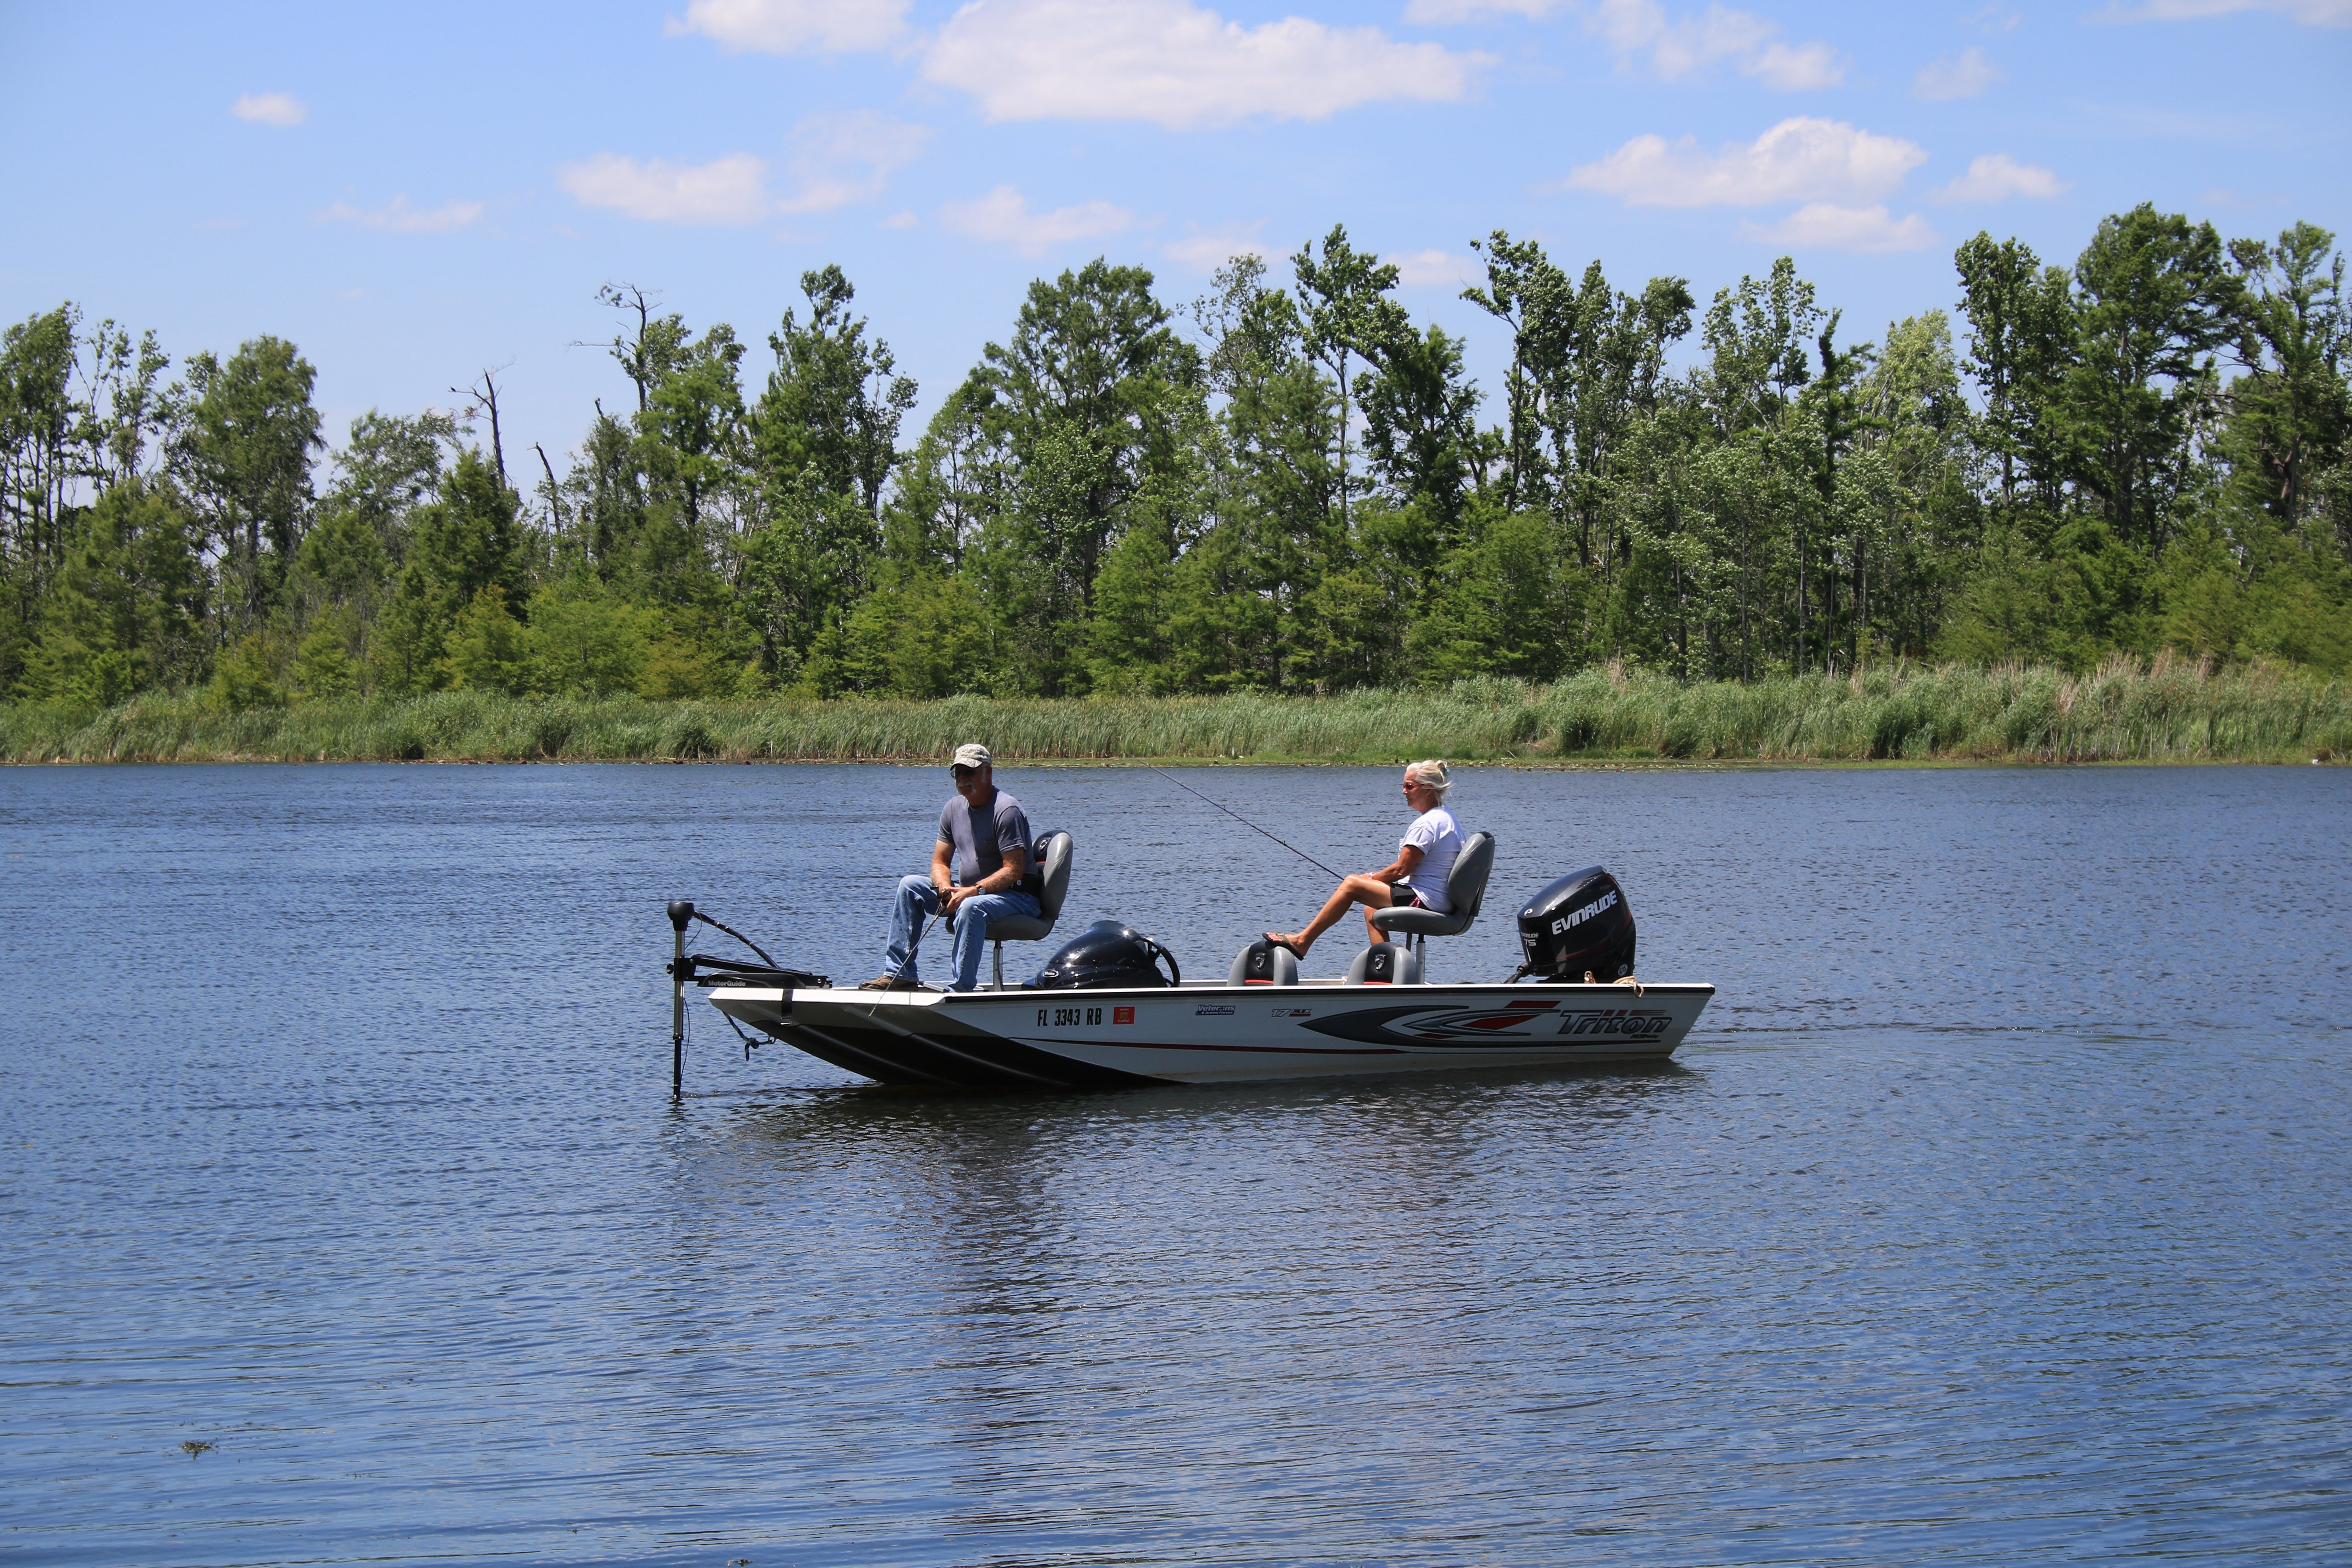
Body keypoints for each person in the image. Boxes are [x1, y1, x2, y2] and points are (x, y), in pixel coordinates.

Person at [864, 743, 1041, 992]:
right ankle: (899, 975)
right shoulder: (952, 809)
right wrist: (945, 887)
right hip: (971, 892)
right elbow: (940, 862)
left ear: (987, 773)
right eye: (958, 773)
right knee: (910, 886)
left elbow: (1014, 870)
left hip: (1019, 896)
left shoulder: (1006, 810)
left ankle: (961, 988)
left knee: (970, 906)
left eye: (970, 772)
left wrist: (973, 892)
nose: (963, 779)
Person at [1264, 759, 1461, 959]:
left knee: (1351, 884)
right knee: (1372, 909)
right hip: (1437, 899)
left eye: (1409, 786)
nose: (1404, 791)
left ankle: (1302, 941)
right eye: (1404, 786)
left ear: (1428, 789)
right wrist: (1374, 881)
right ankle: (1389, 966)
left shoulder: (1427, 824)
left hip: (1426, 900)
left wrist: (1372, 879)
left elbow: (1401, 870)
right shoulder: (1445, 817)